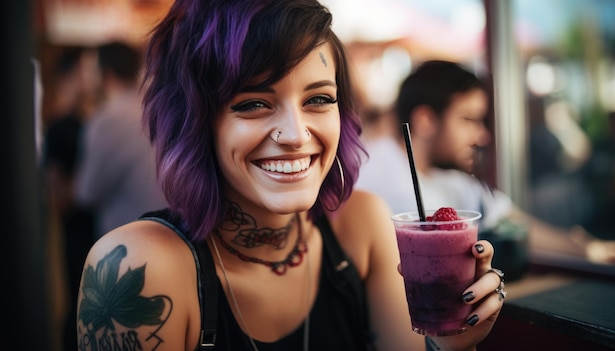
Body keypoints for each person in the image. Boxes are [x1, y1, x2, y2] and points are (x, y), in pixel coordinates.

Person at [76, 2, 504, 351]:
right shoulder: (137, 267)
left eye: (318, 98)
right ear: (196, 122)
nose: (297, 135)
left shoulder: (362, 225)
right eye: (253, 103)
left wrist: (454, 345)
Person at [356, 60, 615, 266]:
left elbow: (510, 220)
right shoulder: (374, 175)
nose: (482, 136)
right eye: (468, 119)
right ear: (425, 120)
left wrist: (588, 249)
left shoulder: (450, 178)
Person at [74, 41, 167, 239]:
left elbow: (87, 193)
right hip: (170, 235)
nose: (86, 78)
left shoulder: (107, 119)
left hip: (127, 242)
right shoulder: (158, 108)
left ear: (105, 74)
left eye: (90, 70)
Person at [41, 45, 97, 351]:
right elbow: (58, 198)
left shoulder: (95, 121)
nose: (94, 75)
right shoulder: (59, 128)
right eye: (87, 69)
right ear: (72, 76)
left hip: (102, 228)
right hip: (78, 235)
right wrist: (94, 176)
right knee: (81, 306)